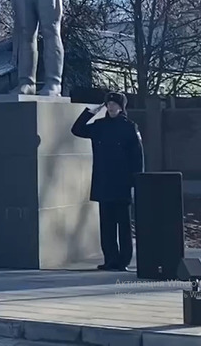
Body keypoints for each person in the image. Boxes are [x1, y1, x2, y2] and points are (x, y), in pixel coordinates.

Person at [71, 92, 144, 271]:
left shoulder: (129, 127)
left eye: (114, 104)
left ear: (121, 107)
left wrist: (136, 181)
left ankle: (123, 260)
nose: (111, 107)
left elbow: (137, 157)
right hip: (104, 182)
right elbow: (77, 130)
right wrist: (89, 112)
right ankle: (110, 259)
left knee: (124, 226)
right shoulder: (99, 125)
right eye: (109, 103)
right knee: (107, 225)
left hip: (122, 183)